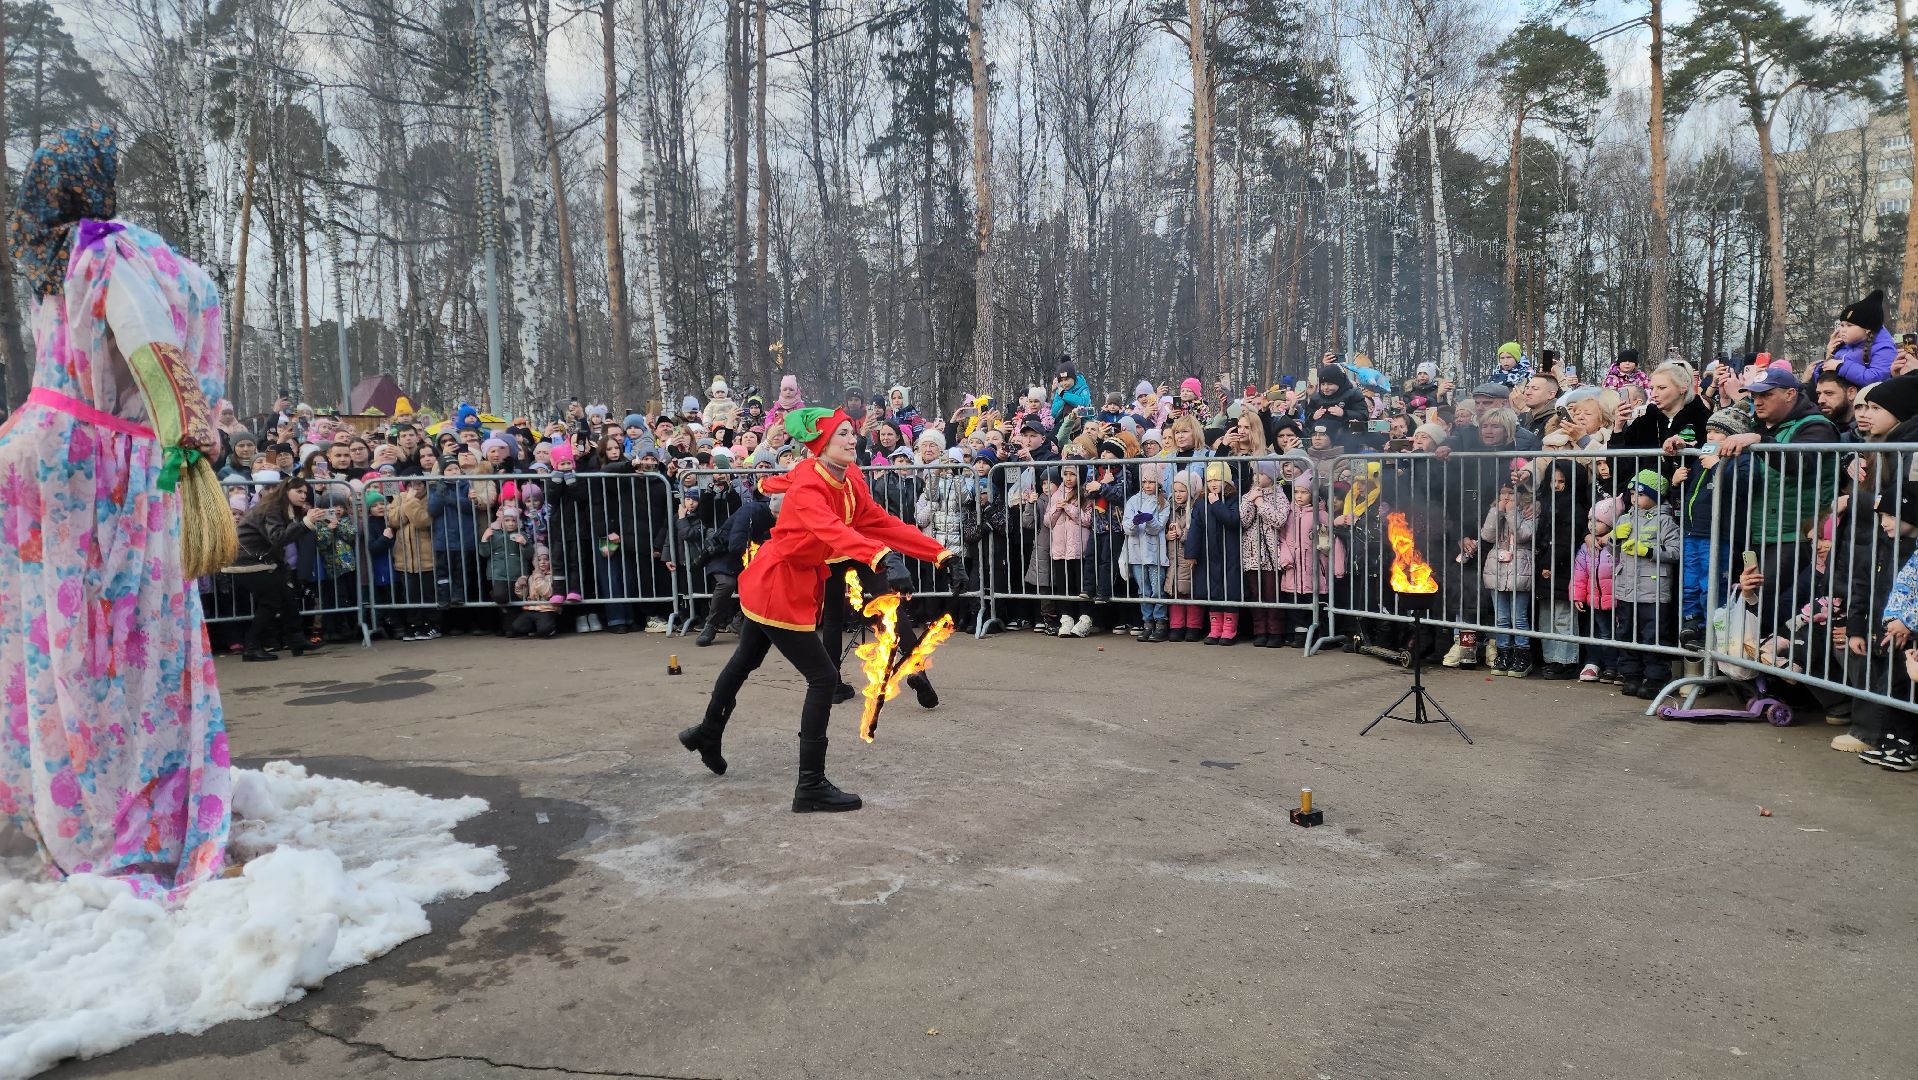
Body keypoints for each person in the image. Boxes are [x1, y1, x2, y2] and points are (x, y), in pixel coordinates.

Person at [0, 124, 233, 896]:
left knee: (60, 644)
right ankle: (123, 817)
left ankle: (66, 806)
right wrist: (191, 437)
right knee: (125, 640)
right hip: (99, 465)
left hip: (43, 453)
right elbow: (148, 342)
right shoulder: (108, 250)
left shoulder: (43, 259)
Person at [675, 408, 963, 813]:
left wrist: (941, 555)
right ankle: (809, 784)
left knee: (745, 659)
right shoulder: (809, 484)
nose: (852, 439)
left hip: (784, 581)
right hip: (778, 585)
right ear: (821, 443)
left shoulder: (850, 480)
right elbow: (834, 531)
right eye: (842, 434)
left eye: (852, 433)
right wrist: (882, 559)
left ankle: (707, 732)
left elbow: (878, 522)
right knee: (823, 678)